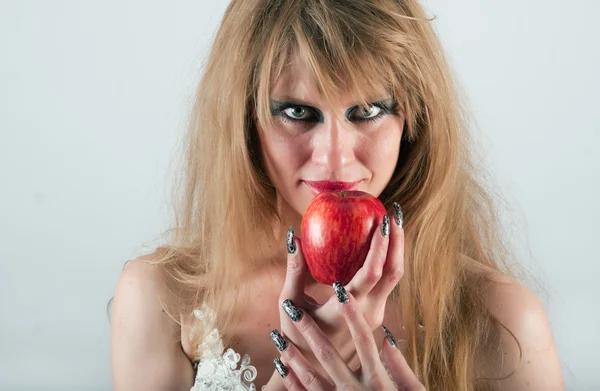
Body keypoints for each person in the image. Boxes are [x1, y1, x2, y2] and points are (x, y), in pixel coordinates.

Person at [110, 0, 564, 390]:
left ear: (414, 119)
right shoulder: (165, 301)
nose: (334, 159)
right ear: (245, 120)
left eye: (367, 111)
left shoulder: (501, 320)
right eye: (297, 112)